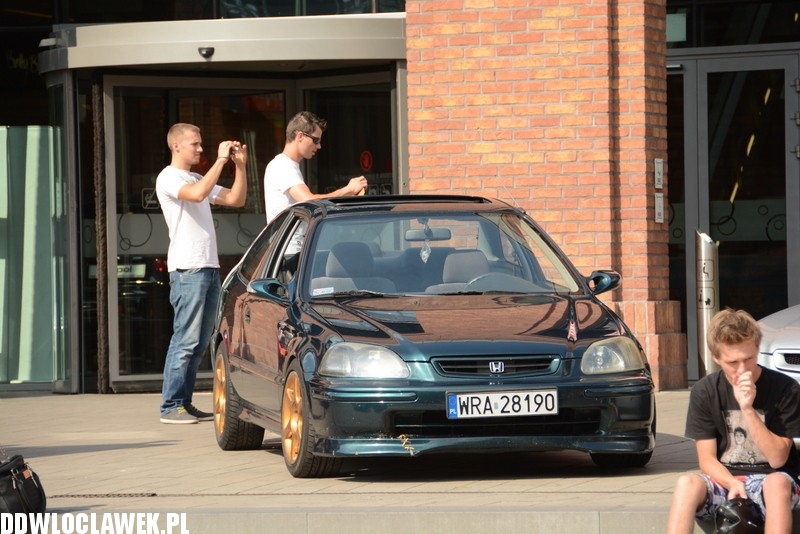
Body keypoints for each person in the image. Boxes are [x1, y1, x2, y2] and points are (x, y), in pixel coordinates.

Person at [666, 308, 800, 534]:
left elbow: (778, 459)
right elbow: (706, 459)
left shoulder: (785, 388)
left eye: (749, 358)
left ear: (757, 349)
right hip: (725, 479)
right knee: (686, 484)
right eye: (733, 362)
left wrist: (747, 409)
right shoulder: (705, 390)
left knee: (776, 484)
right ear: (716, 358)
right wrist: (732, 483)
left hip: (773, 479)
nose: (743, 369)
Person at [155, 123, 248, 424]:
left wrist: (240, 167)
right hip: (187, 268)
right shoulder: (169, 177)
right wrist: (220, 161)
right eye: (194, 144)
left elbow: (236, 199)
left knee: (199, 340)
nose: (200, 148)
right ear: (176, 146)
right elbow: (196, 195)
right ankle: (171, 405)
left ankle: (184, 402)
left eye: (200, 143)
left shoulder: (197, 177)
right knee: (186, 338)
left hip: (207, 267)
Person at [264, 111, 367, 223]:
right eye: (316, 140)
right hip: (291, 235)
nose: (319, 146)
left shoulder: (287, 165)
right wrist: (349, 190)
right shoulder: (283, 166)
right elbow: (309, 201)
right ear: (300, 136)